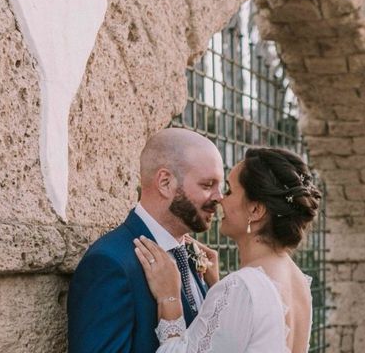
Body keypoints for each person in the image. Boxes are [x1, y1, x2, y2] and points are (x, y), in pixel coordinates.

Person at [134, 147, 322, 353]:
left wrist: (169, 298)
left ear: (256, 210)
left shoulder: (242, 287)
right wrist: (217, 289)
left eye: (230, 190)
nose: (220, 198)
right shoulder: (297, 281)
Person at [67, 128, 224, 353]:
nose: (219, 197)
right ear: (165, 183)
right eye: (207, 185)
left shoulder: (193, 257)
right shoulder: (110, 263)